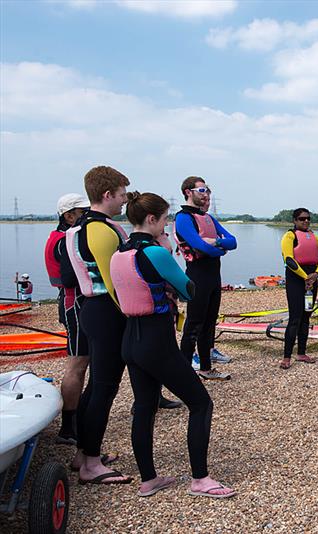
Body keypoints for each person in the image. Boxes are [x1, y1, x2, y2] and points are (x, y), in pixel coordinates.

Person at [110, 192, 235, 499]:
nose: (166, 227)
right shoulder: (156, 252)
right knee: (201, 403)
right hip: (156, 338)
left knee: (144, 407)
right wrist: (167, 256)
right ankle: (200, 480)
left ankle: (149, 479)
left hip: (131, 339)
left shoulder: (118, 253)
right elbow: (190, 290)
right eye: (165, 220)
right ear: (151, 220)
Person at [65, 165, 133, 484]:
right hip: (108, 311)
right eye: (121, 195)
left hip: (91, 309)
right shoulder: (102, 229)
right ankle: (92, 463)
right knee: (105, 387)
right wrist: (135, 315)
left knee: (96, 386)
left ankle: (83, 452)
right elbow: (115, 281)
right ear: (107, 195)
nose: (123, 201)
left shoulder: (77, 229)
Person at [175, 177, 237, 381]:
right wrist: (219, 249)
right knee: (194, 324)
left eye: (208, 190)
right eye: (202, 190)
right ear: (188, 192)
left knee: (210, 323)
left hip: (213, 277)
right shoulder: (183, 218)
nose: (206, 194)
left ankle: (206, 368)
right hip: (197, 276)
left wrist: (216, 242)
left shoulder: (209, 218)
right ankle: (183, 370)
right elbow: (199, 246)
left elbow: (233, 241)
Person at [44, 194, 91, 445]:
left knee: (85, 360)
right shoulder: (64, 240)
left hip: (76, 302)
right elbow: (73, 278)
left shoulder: (64, 236)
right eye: (83, 211)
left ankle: (79, 417)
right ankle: (67, 427)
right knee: (77, 363)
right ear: (69, 215)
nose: (87, 215)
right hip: (74, 304)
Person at [279, 208, 318, 370]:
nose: (305, 221)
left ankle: (301, 353)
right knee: (295, 318)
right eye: (301, 219)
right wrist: (305, 276)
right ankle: (286, 357)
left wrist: (316, 274)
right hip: (296, 279)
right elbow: (289, 259)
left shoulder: (314, 236)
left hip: (312, 280)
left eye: (308, 219)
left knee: (306, 317)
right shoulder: (289, 236)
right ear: (295, 220)